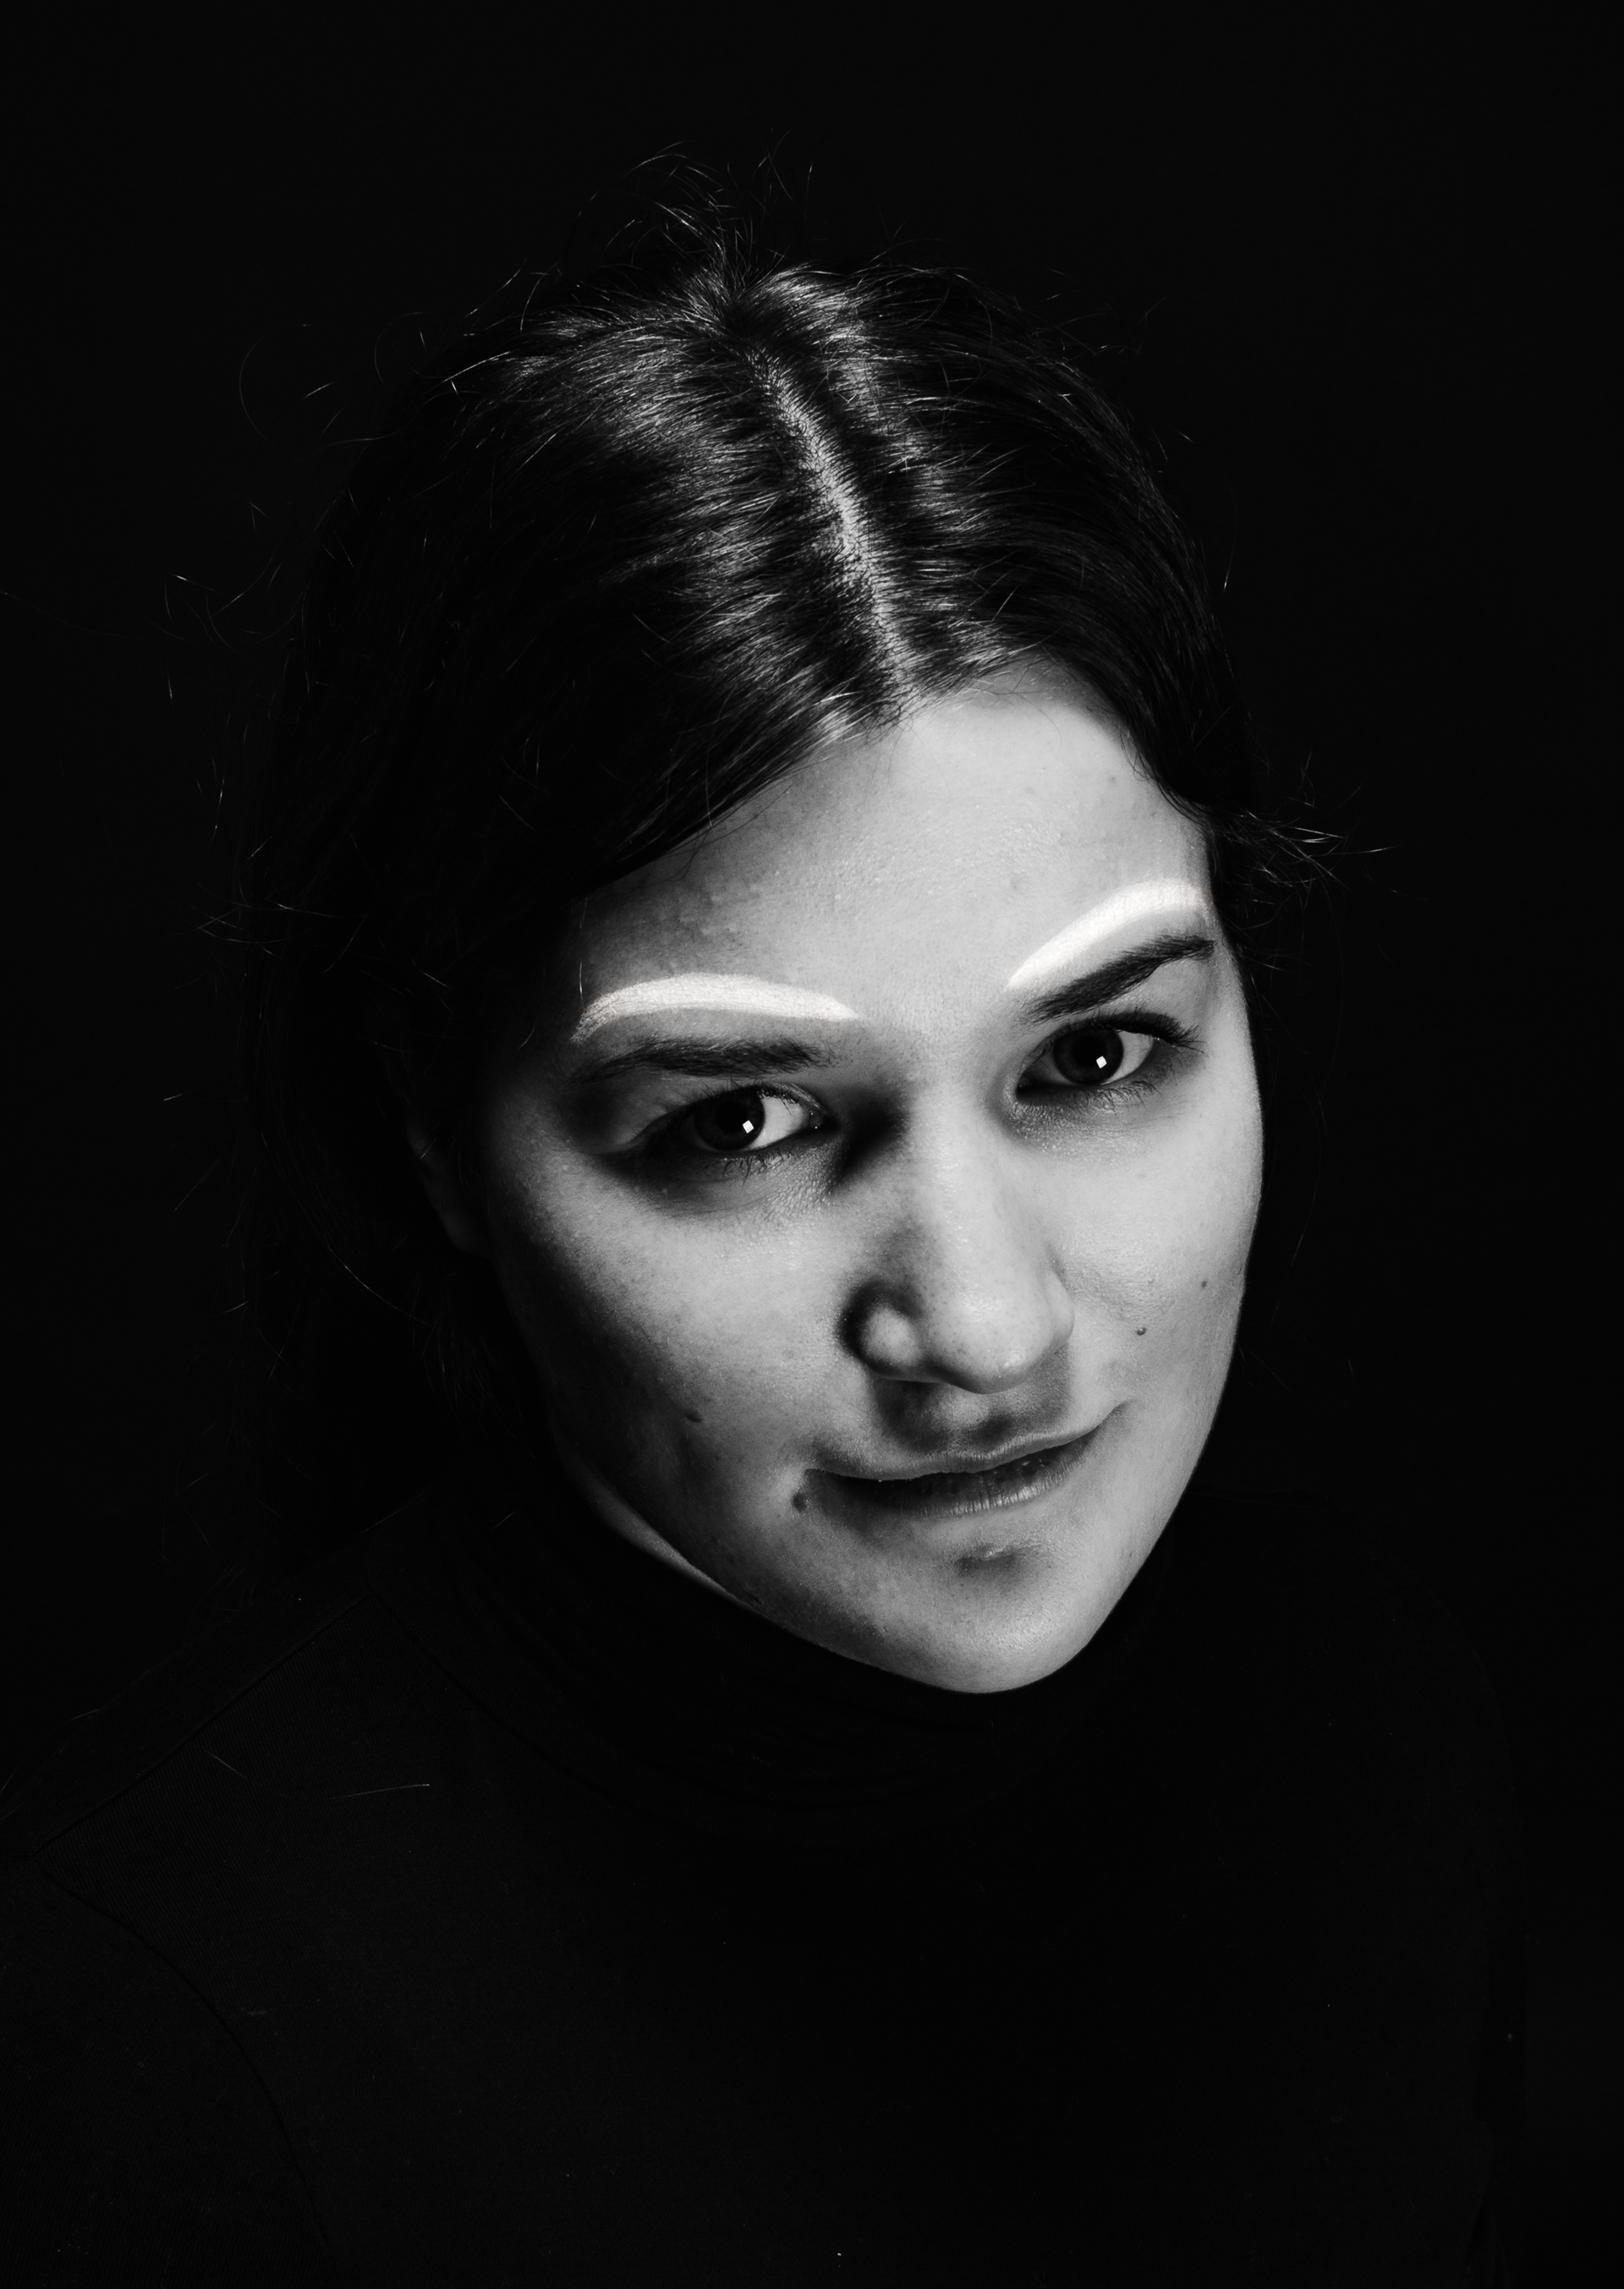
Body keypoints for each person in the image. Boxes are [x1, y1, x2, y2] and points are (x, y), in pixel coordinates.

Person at [0, 213, 1522, 2285]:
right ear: (434, 1135)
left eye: (1093, 1055)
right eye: (742, 1123)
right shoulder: (143, 2070)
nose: (981, 1328)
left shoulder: (1377, 1733)